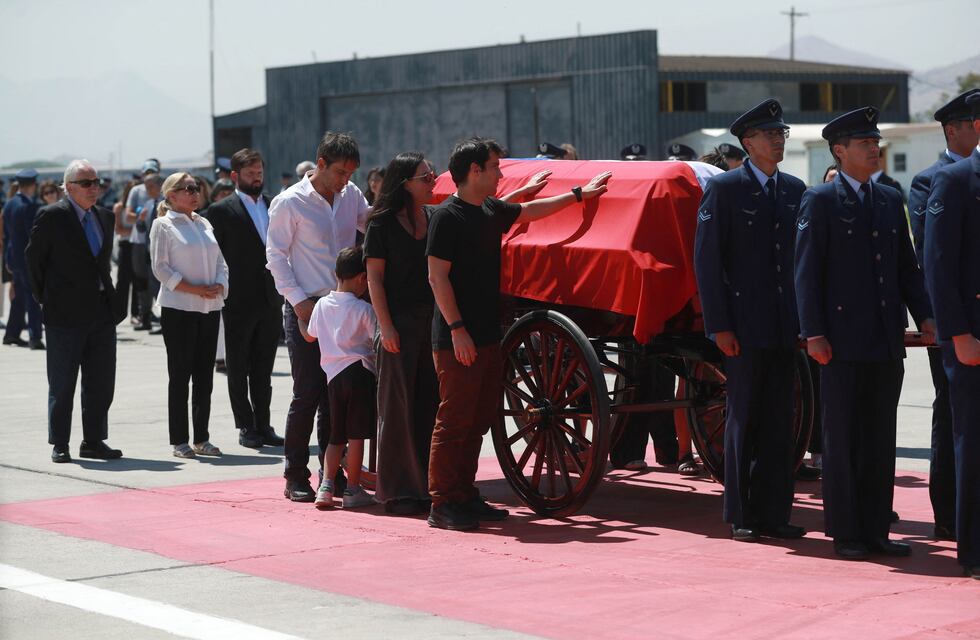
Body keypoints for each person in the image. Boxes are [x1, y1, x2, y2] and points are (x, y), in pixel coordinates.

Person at [425, 136, 610, 531]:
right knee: (454, 420)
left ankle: (465, 494)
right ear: (474, 171)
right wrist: (457, 329)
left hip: (487, 332)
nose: (499, 173)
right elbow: (436, 277)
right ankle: (442, 502)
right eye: (494, 166)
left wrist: (578, 194)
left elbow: (529, 211)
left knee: (477, 419)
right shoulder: (447, 217)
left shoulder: (488, 209)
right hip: (457, 336)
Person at [795, 106, 935, 561]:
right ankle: (847, 530)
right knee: (844, 437)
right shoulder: (820, 200)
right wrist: (813, 332)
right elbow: (806, 274)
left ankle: (876, 528)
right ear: (839, 151)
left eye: (876, 143)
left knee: (879, 436)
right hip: (839, 339)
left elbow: (905, 268)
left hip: (883, 338)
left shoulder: (889, 199)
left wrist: (927, 316)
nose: (875, 149)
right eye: (864, 144)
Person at [694, 99, 807, 543]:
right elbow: (708, 262)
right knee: (744, 419)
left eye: (782, 134)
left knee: (782, 420)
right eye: (770, 135)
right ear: (748, 142)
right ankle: (741, 513)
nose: (778, 141)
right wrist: (719, 325)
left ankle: (775, 512)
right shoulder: (726, 189)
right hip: (743, 325)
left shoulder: (795, 189)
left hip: (785, 325)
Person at [266, 132, 371, 502]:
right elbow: (276, 257)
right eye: (340, 172)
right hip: (307, 306)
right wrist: (298, 303)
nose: (345, 180)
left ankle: (333, 474)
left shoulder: (352, 195)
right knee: (307, 392)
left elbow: (368, 224)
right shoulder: (289, 202)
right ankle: (295, 474)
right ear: (320, 164)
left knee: (336, 397)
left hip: (342, 309)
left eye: (350, 173)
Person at [910, 89, 979, 542]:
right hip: (952, 323)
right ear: (952, 128)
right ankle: (950, 513)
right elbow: (932, 258)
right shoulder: (932, 180)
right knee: (952, 418)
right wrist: (947, 325)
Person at [26, 159, 125, 463]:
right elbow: (34, 262)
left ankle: (93, 440)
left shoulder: (105, 217)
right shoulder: (52, 216)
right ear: (68, 187)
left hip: (101, 311)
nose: (94, 188)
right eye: (86, 183)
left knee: (100, 381)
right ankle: (60, 442)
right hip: (64, 314)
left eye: (96, 182)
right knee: (63, 381)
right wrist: (47, 298)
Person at [363, 152, 440, 516]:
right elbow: (374, 279)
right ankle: (397, 490)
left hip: (431, 323)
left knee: (429, 402)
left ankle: (428, 483)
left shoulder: (434, 217)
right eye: (425, 177)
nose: (432, 182)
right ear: (404, 183)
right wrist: (386, 326)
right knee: (396, 409)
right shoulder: (380, 224)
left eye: (432, 175)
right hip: (396, 324)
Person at [206, 148, 285, 449]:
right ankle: (245, 426)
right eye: (251, 175)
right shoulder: (221, 210)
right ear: (236, 176)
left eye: (260, 174)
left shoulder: (272, 205)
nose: (257, 179)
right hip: (238, 299)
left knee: (263, 367)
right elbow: (215, 255)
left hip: (270, 298)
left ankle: (263, 424)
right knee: (238, 366)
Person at [150, 172, 228, 459]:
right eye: (187, 189)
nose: (195, 193)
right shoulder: (163, 225)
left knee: (204, 376)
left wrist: (221, 285)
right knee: (180, 375)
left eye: (197, 188)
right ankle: (180, 440)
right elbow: (161, 269)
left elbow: (221, 261)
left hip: (208, 308)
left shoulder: (204, 222)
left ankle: (202, 438)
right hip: (179, 309)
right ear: (171, 195)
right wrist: (194, 289)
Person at [304, 246, 377, 509]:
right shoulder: (363, 308)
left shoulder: (322, 304)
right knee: (357, 436)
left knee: (336, 436)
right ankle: (353, 489)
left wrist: (298, 317)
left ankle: (326, 486)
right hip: (360, 372)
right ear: (361, 278)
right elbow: (376, 339)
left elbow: (310, 335)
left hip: (332, 376)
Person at [3, 169, 43, 349]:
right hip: (27, 258)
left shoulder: (10, 204)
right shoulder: (28, 206)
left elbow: (7, 234)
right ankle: (35, 336)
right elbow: (33, 235)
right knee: (33, 297)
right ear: (33, 185)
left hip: (13, 257)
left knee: (18, 298)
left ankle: (11, 334)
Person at [126, 159, 163, 330]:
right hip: (142, 245)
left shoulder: (165, 200)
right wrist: (140, 219)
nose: (148, 190)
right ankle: (145, 316)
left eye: (152, 172)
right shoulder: (140, 195)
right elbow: (130, 218)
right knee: (142, 282)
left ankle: (162, 318)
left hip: (160, 249)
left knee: (159, 283)